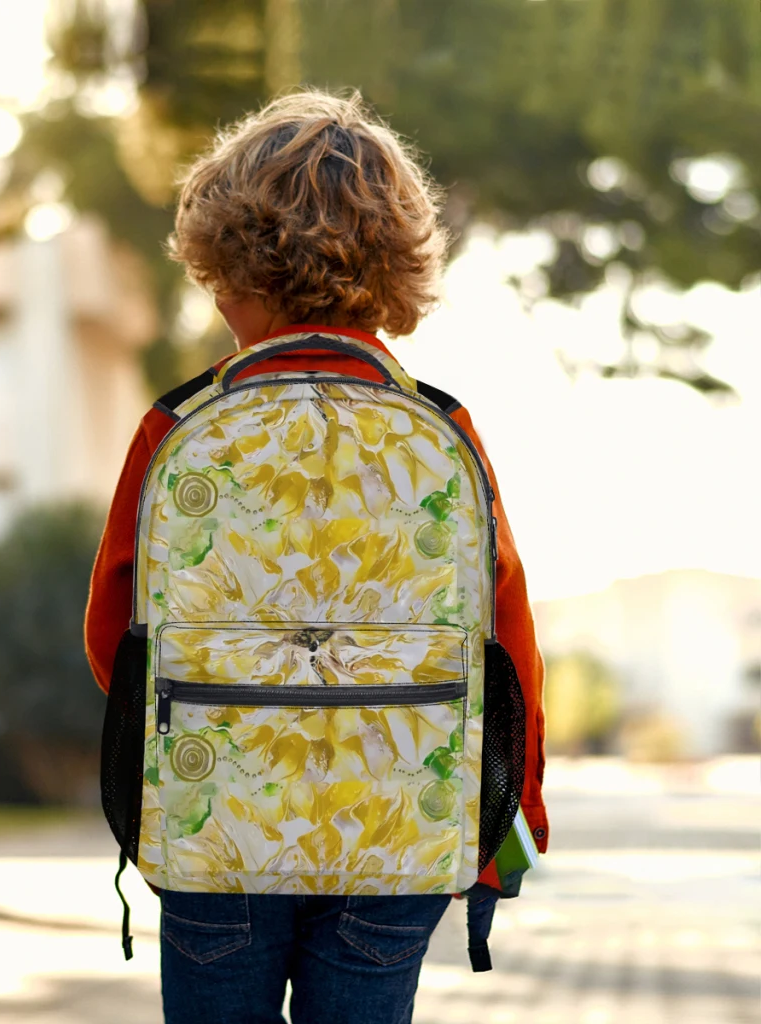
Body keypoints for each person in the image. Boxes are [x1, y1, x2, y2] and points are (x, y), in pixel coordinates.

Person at [86, 89, 547, 1024]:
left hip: (218, 829)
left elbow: (114, 637)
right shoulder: (442, 428)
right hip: (396, 835)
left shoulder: (178, 427)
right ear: (398, 270)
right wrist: (512, 814)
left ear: (227, 269)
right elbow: (505, 638)